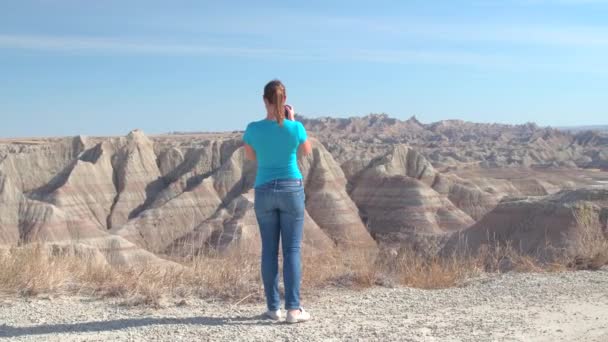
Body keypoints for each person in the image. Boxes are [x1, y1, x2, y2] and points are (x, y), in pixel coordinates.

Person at [243, 79, 312, 323]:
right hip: (291, 189)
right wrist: (291, 121)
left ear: (264, 100)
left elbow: (251, 157)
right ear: (285, 102)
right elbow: (306, 151)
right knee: (291, 250)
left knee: (269, 251)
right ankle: (294, 310)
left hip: (264, 189)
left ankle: (273, 308)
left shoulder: (252, 128)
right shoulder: (296, 127)